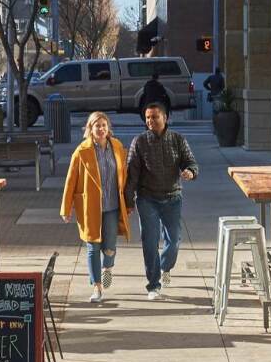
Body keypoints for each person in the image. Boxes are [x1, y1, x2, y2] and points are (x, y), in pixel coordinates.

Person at [123, 101, 197, 299]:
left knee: (174, 241)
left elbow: (190, 161)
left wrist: (190, 171)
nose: (150, 121)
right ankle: (153, 285)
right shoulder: (139, 142)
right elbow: (132, 175)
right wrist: (129, 201)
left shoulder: (178, 139)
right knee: (150, 241)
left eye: (154, 117)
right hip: (147, 199)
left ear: (166, 118)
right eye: (147, 118)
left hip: (172, 198)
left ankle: (165, 267)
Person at [60, 110, 129, 304]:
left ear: (108, 128)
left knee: (109, 247)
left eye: (103, 125)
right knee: (92, 246)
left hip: (113, 206)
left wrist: (129, 202)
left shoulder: (117, 147)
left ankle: (108, 268)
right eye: (96, 125)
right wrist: (66, 208)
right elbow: (70, 181)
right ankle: (97, 287)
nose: (100, 129)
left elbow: (125, 176)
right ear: (90, 129)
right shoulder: (82, 151)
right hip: (90, 207)